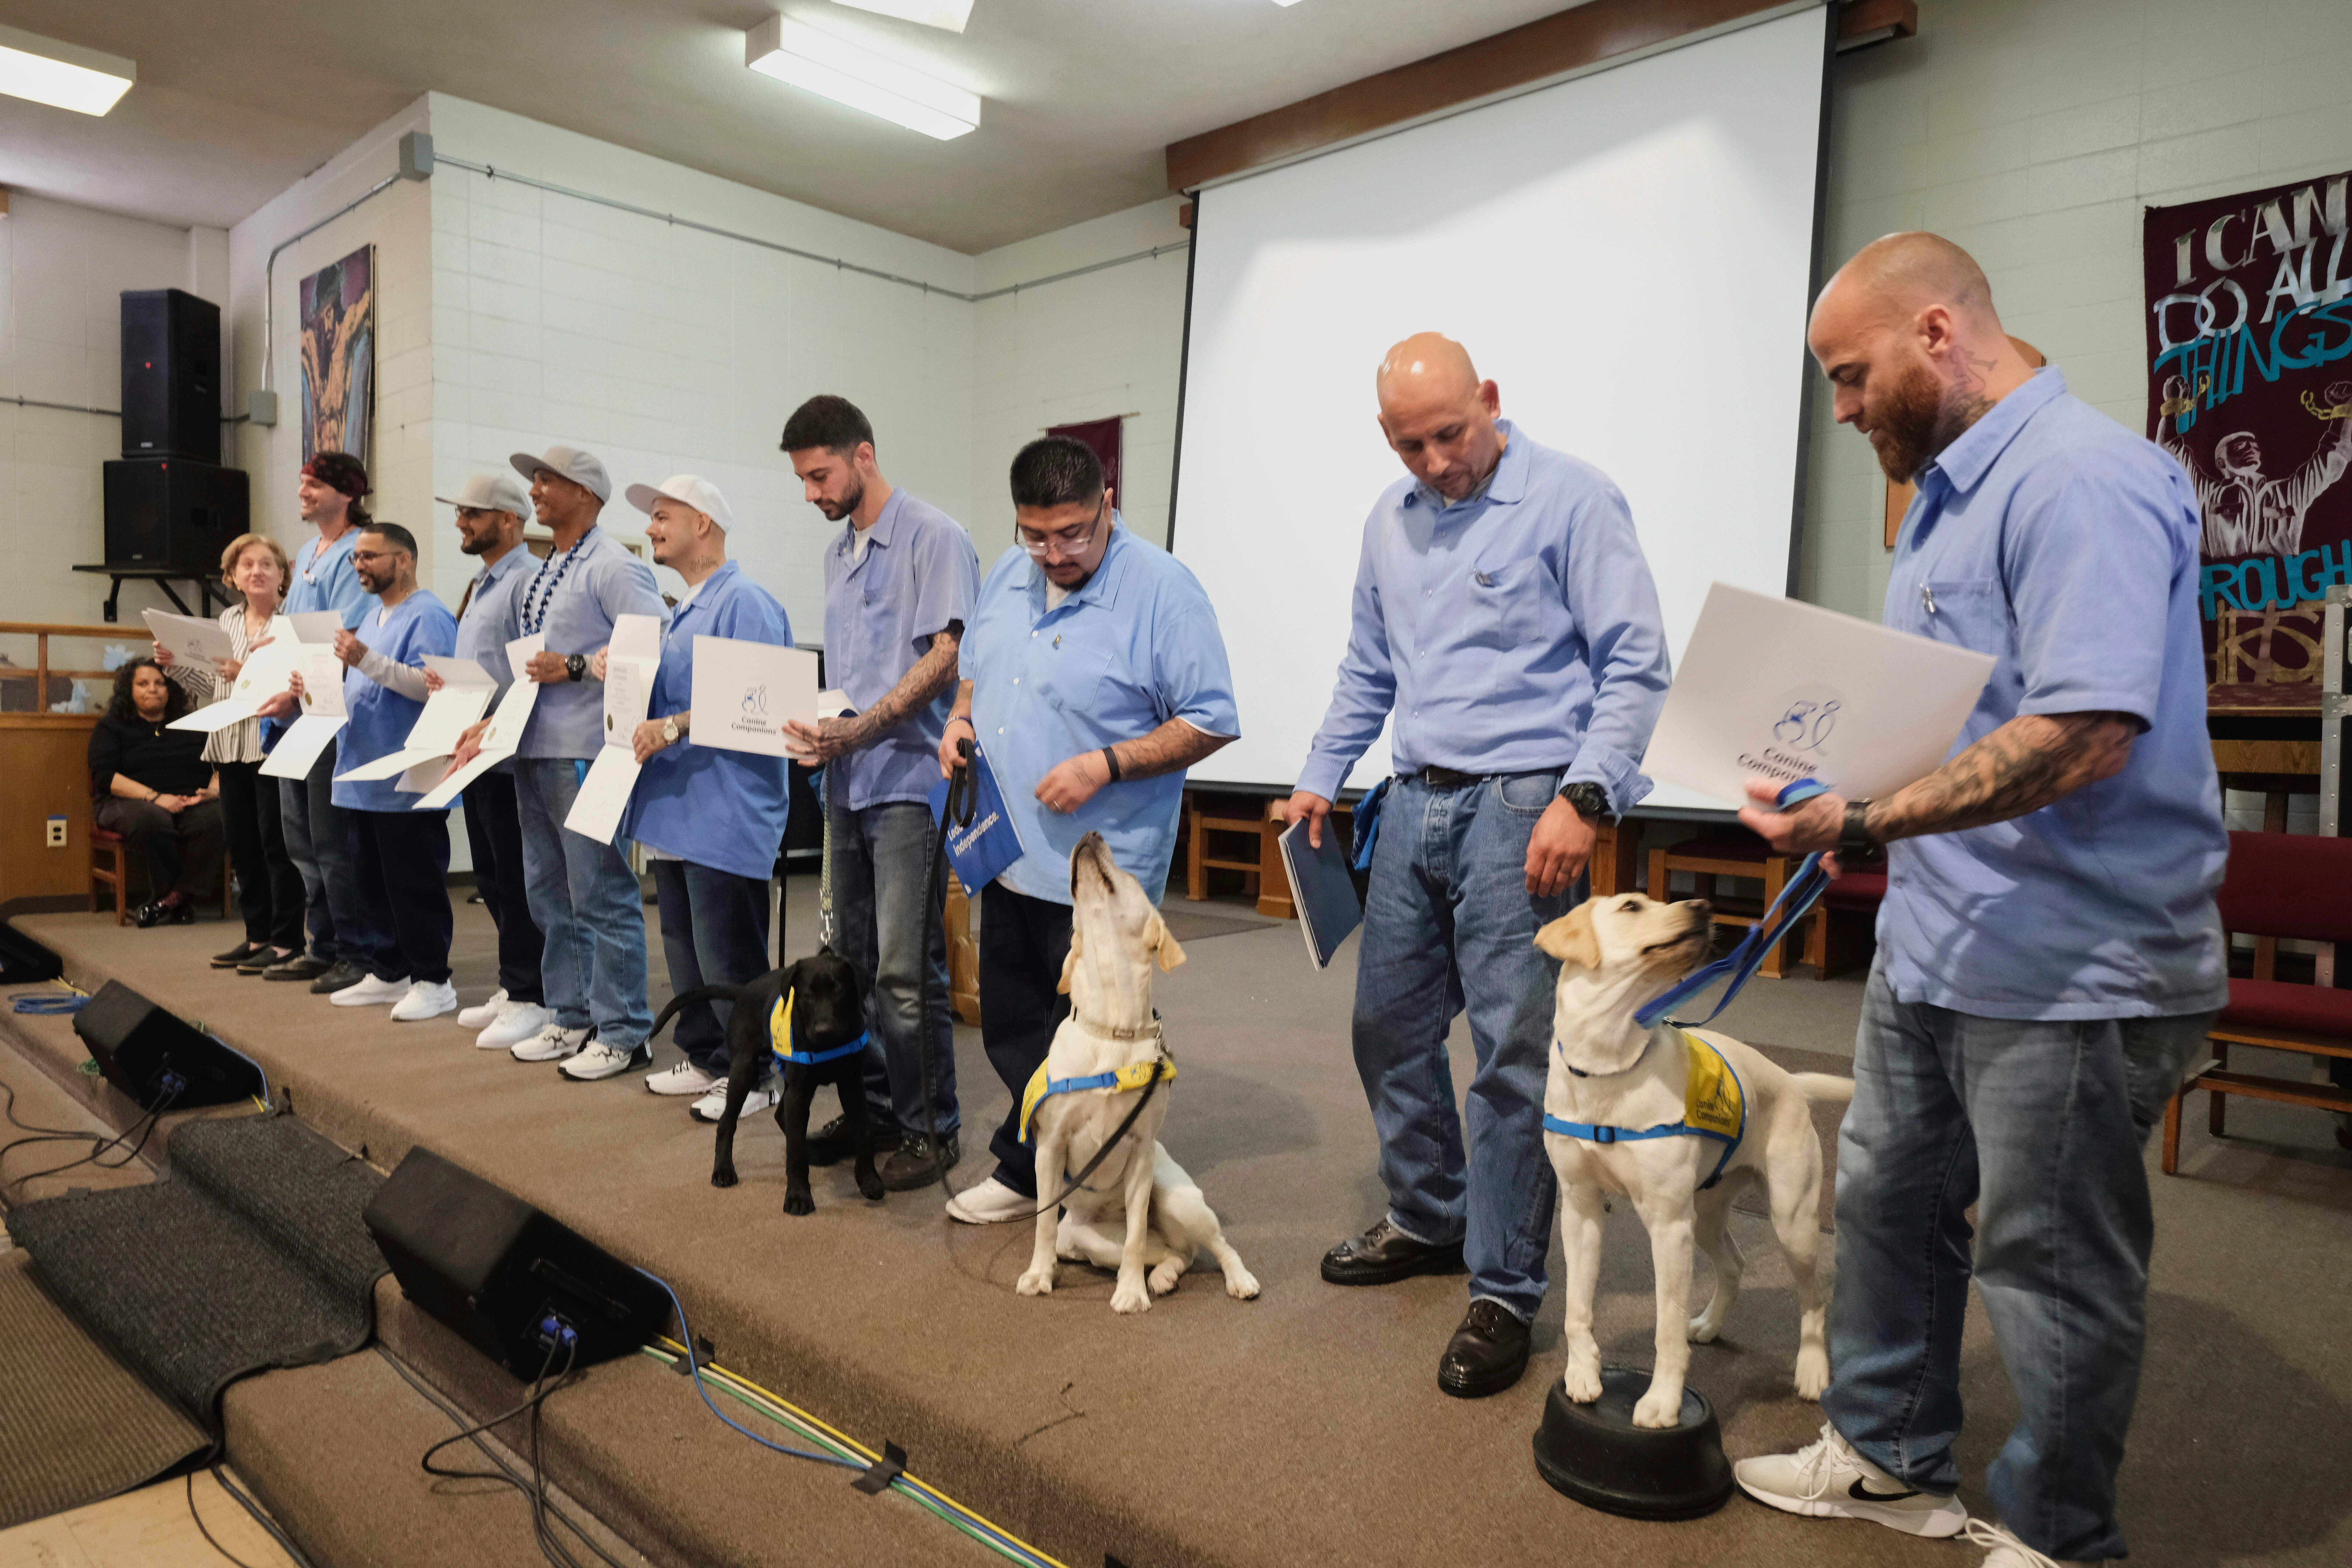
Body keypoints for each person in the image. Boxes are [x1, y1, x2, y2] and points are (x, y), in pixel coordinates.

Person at [1730, 233, 2227, 1568]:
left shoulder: (2079, 482)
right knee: (1887, 1206)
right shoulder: (1945, 496)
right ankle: (1889, 1460)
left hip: (2071, 964)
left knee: (2046, 1265)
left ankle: (2060, 1537)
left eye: (1848, 376)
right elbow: (1960, 719)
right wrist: (1823, 786)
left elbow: (2082, 732)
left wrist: (1869, 818)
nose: (1839, 410)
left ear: (1938, 334)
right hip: (1935, 946)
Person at [1283, 332, 1672, 1400]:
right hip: (1410, 804)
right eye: (1409, 445)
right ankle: (1428, 1214)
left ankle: (1502, 1288)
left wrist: (1582, 798)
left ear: (1489, 399)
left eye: (1450, 433)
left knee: (1510, 1055)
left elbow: (1634, 663)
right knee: (1386, 1028)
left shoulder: (1575, 500)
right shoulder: (1387, 521)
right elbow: (1367, 666)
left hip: (1524, 809)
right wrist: (1319, 775)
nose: (1435, 461)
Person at [937, 436, 1238, 1224]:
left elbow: (1210, 720)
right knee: (1013, 1023)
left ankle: (1097, 1181)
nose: (1054, 553)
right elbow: (976, 664)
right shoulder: (1010, 571)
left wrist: (1105, 763)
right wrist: (961, 718)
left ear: (1108, 501)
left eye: (1072, 533)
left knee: (1099, 1035)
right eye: (1035, 535)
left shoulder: (1163, 588)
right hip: (1008, 850)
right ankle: (1027, 1162)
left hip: (1100, 870)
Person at [779, 395, 980, 1191]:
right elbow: (848, 677)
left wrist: (864, 728)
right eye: (802, 479)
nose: (811, 494)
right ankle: (875, 1112)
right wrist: (823, 732)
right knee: (853, 968)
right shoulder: (839, 555)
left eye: (819, 475)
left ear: (863, 455)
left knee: (904, 970)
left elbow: (951, 653)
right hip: (846, 783)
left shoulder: (935, 536)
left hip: (905, 782)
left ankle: (934, 1130)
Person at [452, 445, 668, 1081]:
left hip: (585, 752)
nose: (537, 490)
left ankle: (626, 1029)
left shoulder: (613, 567)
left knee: (599, 891)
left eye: (548, 480)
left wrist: (573, 667)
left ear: (587, 494)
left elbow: (650, 647)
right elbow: (531, 667)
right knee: (547, 891)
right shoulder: (548, 567)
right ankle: (572, 1013)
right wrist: (496, 723)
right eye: (535, 481)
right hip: (533, 746)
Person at [613, 477, 795, 1115]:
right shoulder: (686, 607)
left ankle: (757, 1073)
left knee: (729, 954)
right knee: (687, 950)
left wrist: (673, 724)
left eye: (664, 517)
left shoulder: (744, 600)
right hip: (676, 808)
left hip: (725, 806)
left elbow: (760, 698)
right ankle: (708, 1056)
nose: (653, 528)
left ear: (705, 525)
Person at [302, 523, 462, 1020]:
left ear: (405, 560)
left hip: (406, 774)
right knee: (369, 880)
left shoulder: (429, 614)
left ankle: (434, 980)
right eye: (356, 558)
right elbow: (364, 678)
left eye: (370, 556)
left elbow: (435, 685)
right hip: (364, 772)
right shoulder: (372, 615)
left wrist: (364, 661)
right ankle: (389, 970)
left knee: (412, 882)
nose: (359, 566)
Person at [426, 472, 551, 1050]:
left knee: (519, 878)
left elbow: (531, 672)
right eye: (458, 513)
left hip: (510, 751)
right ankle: (515, 981)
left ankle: (533, 993)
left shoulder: (527, 580)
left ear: (509, 520)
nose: (461, 522)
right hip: (477, 750)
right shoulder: (483, 582)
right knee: (491, 877)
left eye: (472, 513)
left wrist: (491, 719)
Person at [153, 533, 307, 972]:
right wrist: (174, 665)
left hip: (273, 742)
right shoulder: (225, 622)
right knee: (242, 844)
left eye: (266, 564)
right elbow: (210, 688)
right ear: (233, 577)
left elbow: (297, 686)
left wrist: (248, 672)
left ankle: (286, 941)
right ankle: (257, 936)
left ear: (282, 575)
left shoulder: (292, 624)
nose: (257, 571)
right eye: (247, 566)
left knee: (277, 845)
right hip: (228, 743)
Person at [263, 451, 379, 991]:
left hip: (328, 712)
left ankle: (352, 950)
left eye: (315, 484)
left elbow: (342, 640)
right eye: (302, 481)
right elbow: (292, 631)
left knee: (332, 842)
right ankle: (322, 942)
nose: (304, 491)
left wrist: (298, 691)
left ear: (348, 493)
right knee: (301, 839)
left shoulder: (356, 551)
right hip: (297, 711)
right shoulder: (309, 550)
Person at [88, 658, 225, 928]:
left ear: (171, 689)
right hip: (127, 802)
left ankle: (169, 900)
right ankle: (177, 899)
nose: (153, 690)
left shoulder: (192, 723)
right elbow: (105, 777)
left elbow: (220, 763)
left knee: (220, 816)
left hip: (189, 801)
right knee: (152, 819)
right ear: (130, 690)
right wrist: (155, 798)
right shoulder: (111, 727)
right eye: (143, 684)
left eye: (161, 683)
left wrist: (211, 792)